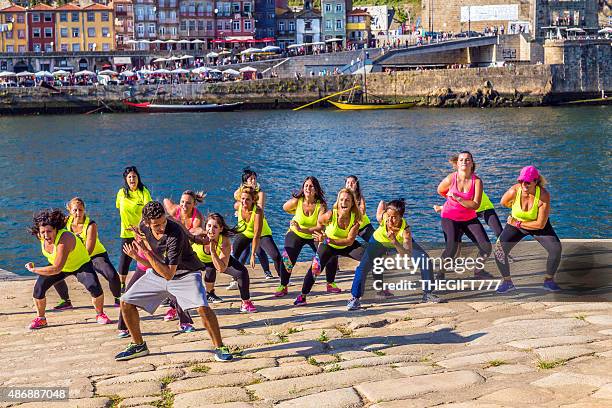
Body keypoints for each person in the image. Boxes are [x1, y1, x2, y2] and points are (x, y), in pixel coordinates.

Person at [115, 201, 232, 361]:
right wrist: (138, 256)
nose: (162, 227)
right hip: (159, 273)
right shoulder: (143, 226)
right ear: (147, 223)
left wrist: (146, 251)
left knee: (202, 308)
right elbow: (158, 268)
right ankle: (139, 345)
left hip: (186, 274)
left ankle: (220, 347)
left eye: (163, 222)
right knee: (126, 302)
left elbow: (169, 274)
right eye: (156, 225)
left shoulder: (174, 233)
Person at [347, 199, 444, 310]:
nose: (390, 220)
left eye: (394, 217)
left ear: (401, 217)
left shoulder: (405, 230)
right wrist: (382, 203)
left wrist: (395, 242)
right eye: (389, 216)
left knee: (425, 260)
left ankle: (428, 294)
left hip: (398, 243)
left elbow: (406, 255)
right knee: (363, 267)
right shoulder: (384, 217)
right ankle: (355, 298)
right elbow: (379, 213)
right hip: (378, 242)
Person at [25, 209, 112, 330]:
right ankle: (41, 319)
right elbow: (55, 263)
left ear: (56, 229)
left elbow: (56, 268)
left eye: (49, 231)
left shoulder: (65, 238)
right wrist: (34, 265)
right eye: (43, 232)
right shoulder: (42, 237)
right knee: (39, 289)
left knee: (94, 286)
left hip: (80, 264)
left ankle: (100, 314)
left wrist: (34, 270)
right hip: (61, 265)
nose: (46, 235)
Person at [494, 166, 562, 293]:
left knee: (556, 249)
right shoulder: (514, 191)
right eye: (521, 181)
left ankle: (548, 281)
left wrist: (518, 223)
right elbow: (503, 202)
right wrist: (513, 209)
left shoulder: (543, 195)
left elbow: (540, 225)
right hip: (516, 224)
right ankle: (507, 282)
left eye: (527, 182)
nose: (523, 184)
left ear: (535, 181)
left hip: (536, 226)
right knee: (499, 250)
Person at [294, 188, 364, 306]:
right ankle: (303, 295)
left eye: (347, 200)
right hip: (328, 246)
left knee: (370, 258)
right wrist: (322, 234)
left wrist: (327, 239)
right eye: (341, 200)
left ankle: (372, 290)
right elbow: (319, 222)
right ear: (338, 201)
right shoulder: (331, 214)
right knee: (315, 268)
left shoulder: (355, 219)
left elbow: (349, 241)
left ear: (352, 203)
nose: (344, 203)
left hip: (345, 245)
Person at [52, 198, 122, 310]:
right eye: (75, 210)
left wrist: (78, 264)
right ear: (70, 210)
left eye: (80, 210)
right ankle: (66, 301)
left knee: (111, 274)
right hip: (76, 256)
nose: (78, 213)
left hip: (95, 254)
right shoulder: (67, 221)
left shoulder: (91, 225)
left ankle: (118, 298)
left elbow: (89, 249)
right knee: (54, 271)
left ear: (84, 210)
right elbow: (52, 228)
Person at [436, 151, 493, 279]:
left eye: (467, 160)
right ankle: (440, 273)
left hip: (469, 218)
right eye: (461, 160)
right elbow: (440, 190)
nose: (464, 162)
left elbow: (476, 205)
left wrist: (459, 200)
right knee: (451, 249)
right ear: (457, 163)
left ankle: (479, 271)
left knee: (486, 247)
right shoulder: (451, 178)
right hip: (449, 217)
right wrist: (450, 200)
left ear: (472, 163)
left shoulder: (477, 181)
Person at [192, 213, 256, 312]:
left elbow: (221, 268)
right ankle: (173, 304)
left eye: (215, 227)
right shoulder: (198, 234)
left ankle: (246, 302)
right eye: (209, 226)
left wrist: (213, 251)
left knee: (241, 272)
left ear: (221, 229)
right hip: (196, 260)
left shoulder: (224, 242)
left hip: (216, 259)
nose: (211, 229)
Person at [277, 176, 327, 297]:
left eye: (311, 186)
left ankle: (330, 283)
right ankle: (283, 285)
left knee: (327, 253)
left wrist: (302, 228)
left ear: (316, 189)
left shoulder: (321, 206)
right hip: (296, 233)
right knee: (287, 258)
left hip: (313, 234)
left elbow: (320, 227)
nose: (308, 188)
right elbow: (285, 207)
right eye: (306, 186)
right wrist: (294, 213)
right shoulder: (297, 201)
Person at [324, 175, 375, 292]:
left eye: (353, 183)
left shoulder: (359, 198)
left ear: (357, 185)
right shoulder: (342, 198)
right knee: (333, 248)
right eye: (348, 182)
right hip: (346, 227)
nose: (350, 184)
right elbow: (334, 213)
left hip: (362, 226)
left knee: (376, 242)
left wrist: (353, 208)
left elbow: (361, 212)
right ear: (345, 184)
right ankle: (332, 274)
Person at [232, 186, 287, 281]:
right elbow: (235, 195)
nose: (244, 202)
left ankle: (283, 280)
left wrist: (253, 254)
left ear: (253, 200)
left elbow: (256, 235)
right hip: (245, 233)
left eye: (248, 199)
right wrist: (243, 186)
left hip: (262, 234)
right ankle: (235, 279)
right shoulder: (238, 206)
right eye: (243, 199)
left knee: (276, 256)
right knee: (234, 255)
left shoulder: (258, 211)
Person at [116, 166, 152, 289]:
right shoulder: (121, 192)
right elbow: (118, 207)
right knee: (124, 260)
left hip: (141, 233)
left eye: (134, 176)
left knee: (144, 258)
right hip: (126, 232)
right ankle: (121, 284)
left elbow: (149, 211)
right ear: (126, 179)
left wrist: (140, 227)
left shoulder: (143, 192)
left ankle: (147, 282)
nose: (132, 179)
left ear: (138, 178)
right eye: (130, 177)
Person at [233, 169, 272, 280]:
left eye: (255, 178)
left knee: (259, 249)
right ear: (245, 181)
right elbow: (236, 198)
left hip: (256, 223)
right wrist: (244, 191)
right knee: (244, 251)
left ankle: (267, 272)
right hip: (244, 227)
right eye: (251, 179)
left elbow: (259, 207)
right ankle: (236, 276)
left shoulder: (260, 192)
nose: (254, 181)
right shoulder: (242, 192)